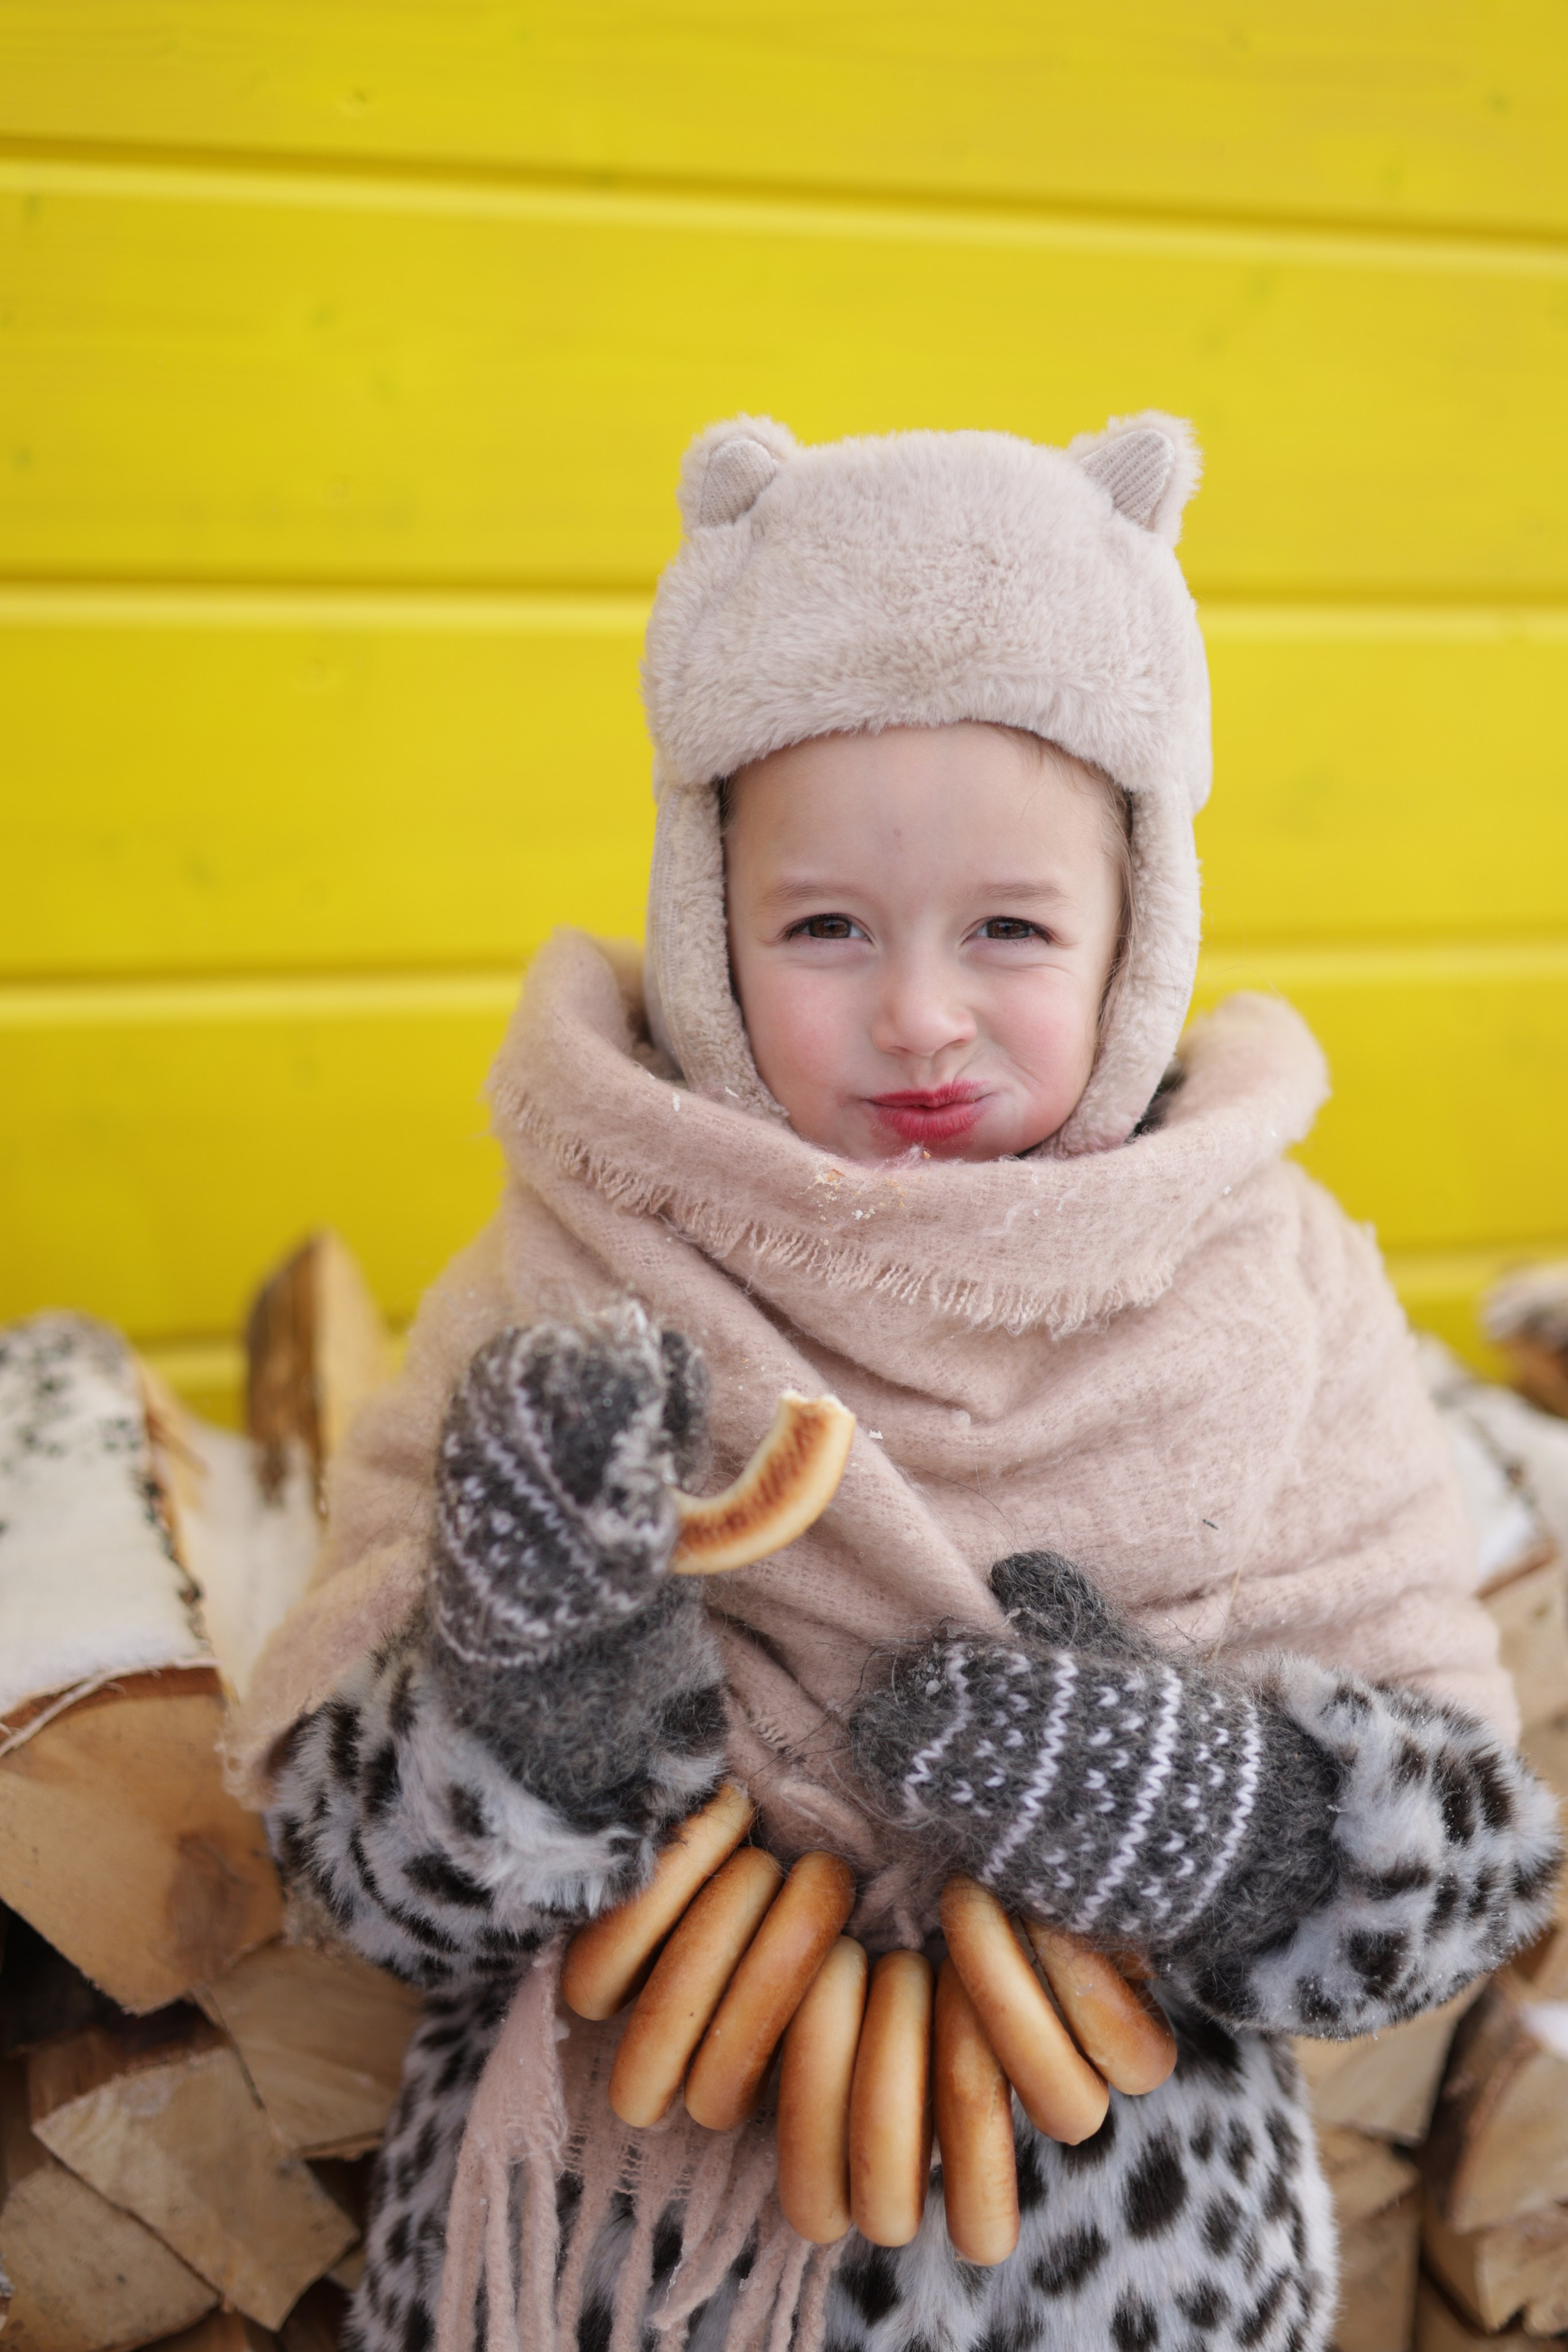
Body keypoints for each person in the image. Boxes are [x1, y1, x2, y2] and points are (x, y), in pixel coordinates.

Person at [233, 413, 1560, 2352]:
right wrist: (539, 1684)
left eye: (1010, 930)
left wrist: (1230, 1817)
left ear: (1137, 934)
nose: (921, 1015)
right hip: (603, 2244)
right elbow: (364, 1872)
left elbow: (1450, 1877)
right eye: (825, 929)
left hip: (1115, 2251)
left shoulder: (1269, 1287)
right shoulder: (578, 1251)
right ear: (706, 921)